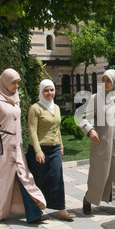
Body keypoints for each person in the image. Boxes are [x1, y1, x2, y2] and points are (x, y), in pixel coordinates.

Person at [0, 68, 46, 224]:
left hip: (16, 148)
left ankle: (34, 211)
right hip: (1, 149)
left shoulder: (15, 98)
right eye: (13, 83)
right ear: (5, 82)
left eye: (18, 83)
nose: (16, 86)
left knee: (25, 178)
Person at [80, 69, 115, 215]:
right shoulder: (96, 98)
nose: (105, 83)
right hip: (103, 143)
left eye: (108, 80)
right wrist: (90, 130)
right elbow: (84, 118)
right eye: (103, 80)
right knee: (99, 173)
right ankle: (88, 199)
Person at [26, 79, 75, 221]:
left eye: (51, 90)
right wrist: (38, 151)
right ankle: (37, 210)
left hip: (54, 149)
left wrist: (61, 146)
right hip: (40, 149)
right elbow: (32, 130)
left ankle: (61, 210)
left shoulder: (56, 108)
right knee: (39, 180)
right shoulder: (35, 108)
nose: (49, 93)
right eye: (46, 90)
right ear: (41, 92)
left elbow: (57, 128)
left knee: (57, 178)